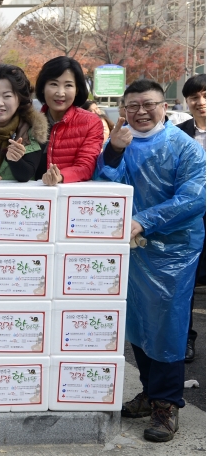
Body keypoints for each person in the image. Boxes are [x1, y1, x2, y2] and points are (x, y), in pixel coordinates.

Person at [94, 80, 206, 443]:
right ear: (123, 109)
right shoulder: (122, 142)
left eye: (149, 104)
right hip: (129, 247)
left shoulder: (184, 147)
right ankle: (149, 391)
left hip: (172, 251)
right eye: (132, 106)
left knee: (167, 325)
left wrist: (145, 220)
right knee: (137, 324)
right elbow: (104, 183)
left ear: (165, 106)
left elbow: (194, 197)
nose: (140, 112)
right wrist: (112, 152)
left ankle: (167, 404)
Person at [34, 56, 104, 185]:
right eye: (54, 84)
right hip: (32, 197)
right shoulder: (30, 122)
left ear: (77, 90)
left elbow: (86, 166)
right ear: (43, 87)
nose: (60, 93)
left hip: (70, 197)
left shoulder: (91, 122)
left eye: (68, 85)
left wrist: (59, 176)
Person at [177, 73, 206, 363]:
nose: (201, 102)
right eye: (195, 97)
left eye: (206, 96)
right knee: (187, 284)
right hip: (190, 219)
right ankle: (186, 339)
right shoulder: (179, 133)